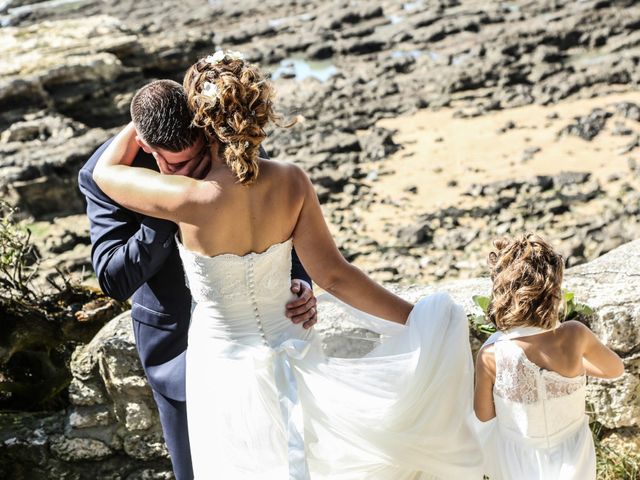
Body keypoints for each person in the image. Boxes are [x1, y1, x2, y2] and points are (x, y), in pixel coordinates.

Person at [92, 51, 483, 479]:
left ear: (202, 122)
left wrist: (146, 114)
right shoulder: (292, 180)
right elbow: (335, 275)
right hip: (292, 342)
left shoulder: (184, 198)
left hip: (222, 363)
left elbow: (104, 171)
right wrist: (418, 319)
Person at [78, 79, 318, 480]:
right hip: (177, 357)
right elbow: (112, 277)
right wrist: (164, 207)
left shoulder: (229, 141)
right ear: (145, 145)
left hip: (263, 344)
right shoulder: (103, 176)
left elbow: (276, 216)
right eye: (173, 165)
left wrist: (301, 282)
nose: (188, 174)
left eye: (193, 161)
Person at [473, 233, 624, 480]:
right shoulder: (575, 336)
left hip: (518, 459)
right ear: (553, 291)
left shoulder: (491, 356)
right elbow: (614, 369)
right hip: (572, 455)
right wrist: (573, 368)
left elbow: (484, 416)